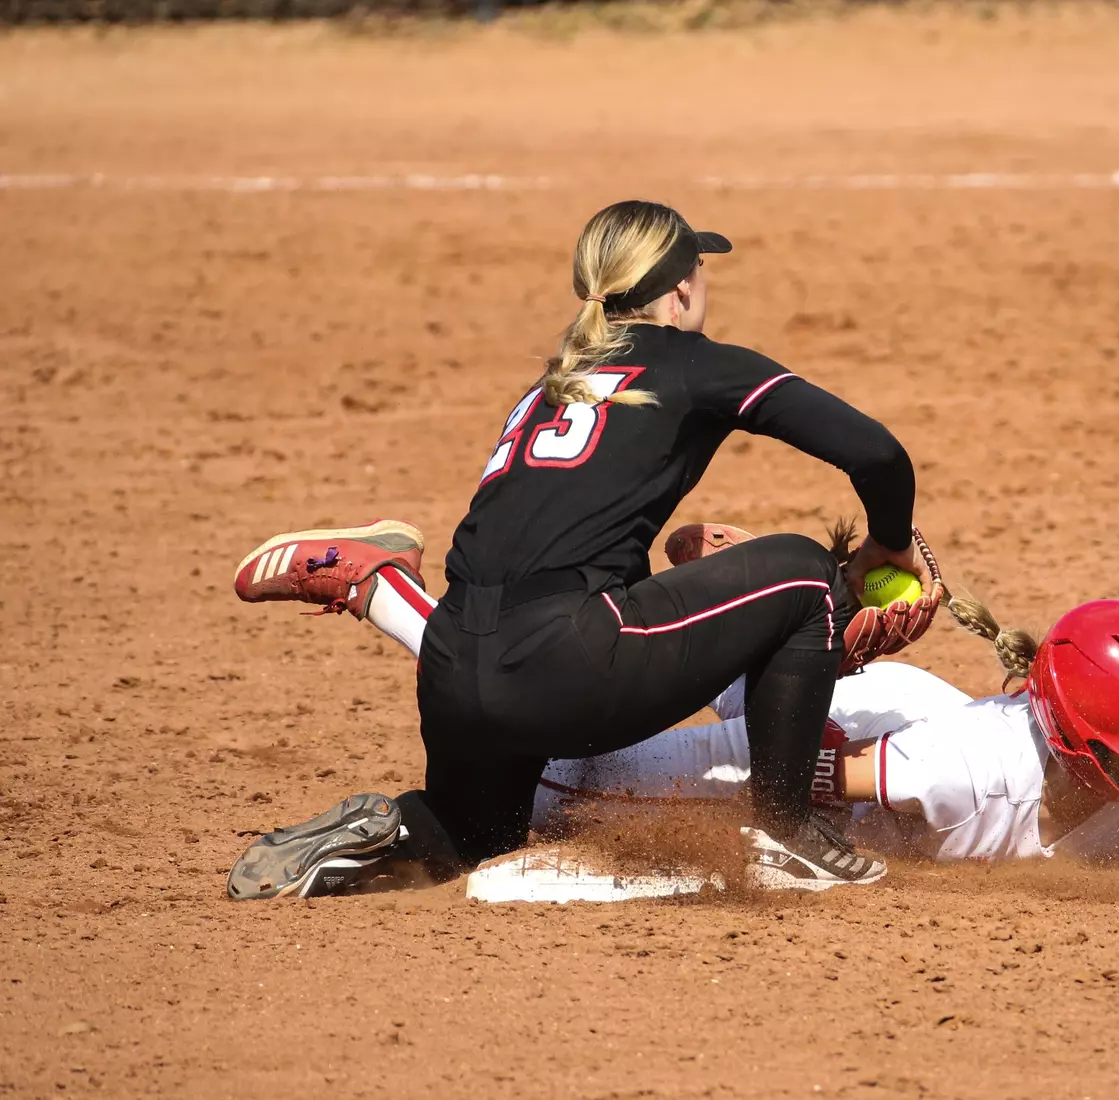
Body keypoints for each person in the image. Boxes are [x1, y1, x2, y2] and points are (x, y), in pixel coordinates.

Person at [224, 200, 945, 900]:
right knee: (804, 576)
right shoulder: (699, 365)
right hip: (562, 667)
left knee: (476, 836)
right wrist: (886, 545)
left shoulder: (552, 385)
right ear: (682, 287)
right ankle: (791, 838)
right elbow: (878, 454)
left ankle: (385, 831)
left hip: (451, 671)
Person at [243, 522, 1119, 868]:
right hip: (871, 744)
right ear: (1073, 737)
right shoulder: (980, 769)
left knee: (727, 691)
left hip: (903, 709)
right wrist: (765, 739)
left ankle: (734, 604)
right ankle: (382, 590)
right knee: (566, 770)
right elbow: (814, 781)